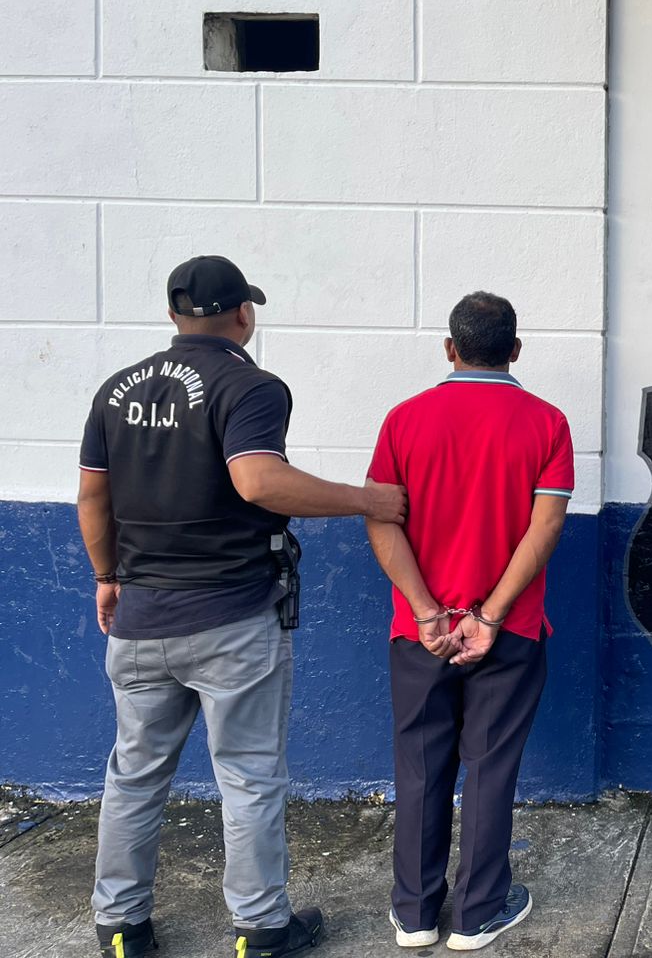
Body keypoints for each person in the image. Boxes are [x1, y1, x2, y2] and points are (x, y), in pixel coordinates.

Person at [79, 255, 408, 958]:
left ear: (173, 315)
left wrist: (107, 575)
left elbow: (93, 495)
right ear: (243, 314)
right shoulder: (250, 386)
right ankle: (260, 930)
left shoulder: (116, 390)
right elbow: (258, 481)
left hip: (139, 617)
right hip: (229, 618)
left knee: (133, 775)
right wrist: (365, 500)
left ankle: (120, 928)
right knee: (249, 779)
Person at [365, 291, 572, 952]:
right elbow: (546, 527)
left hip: (419, 633)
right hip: (509, 632)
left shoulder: (403, 421)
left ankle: (415, 914)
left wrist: (428, 612)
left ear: (450, 348)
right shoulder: (547, 423)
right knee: (490, 767)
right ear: (516, 350)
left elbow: (381, 522)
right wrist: (490, 615)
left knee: (420, 769)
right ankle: (478, 914)